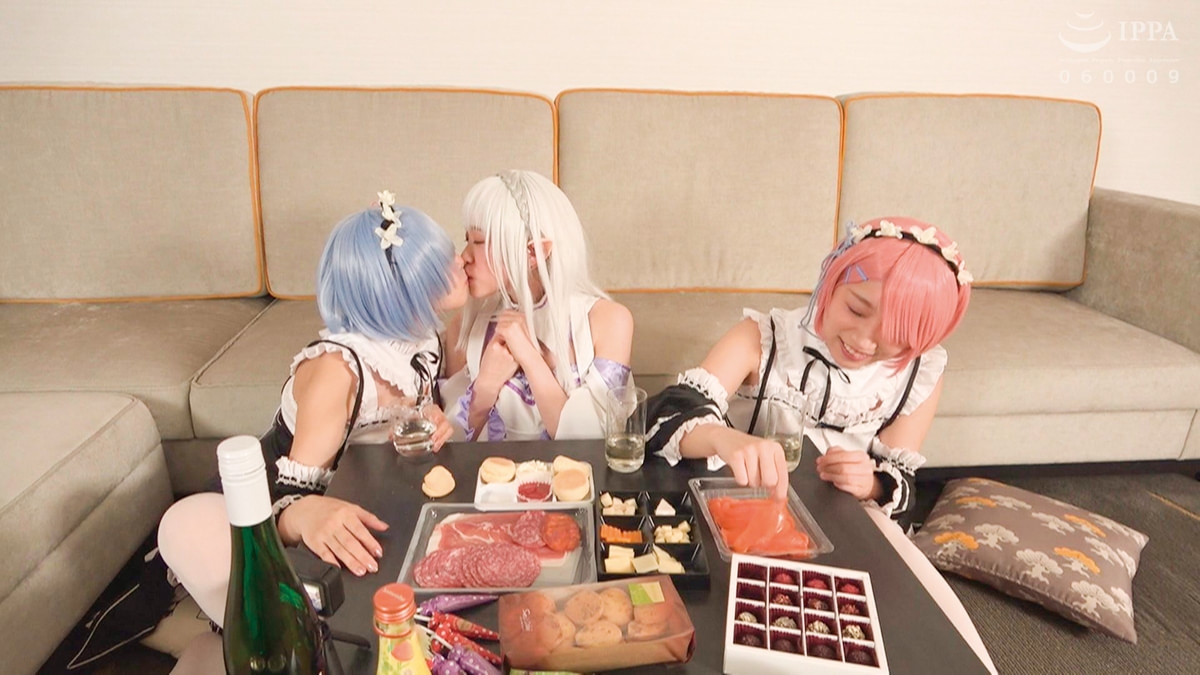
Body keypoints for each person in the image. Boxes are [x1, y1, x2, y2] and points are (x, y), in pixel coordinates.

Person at [645, 216, 996, 673]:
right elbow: (670, 413)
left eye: (896, 338)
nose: (864, 341)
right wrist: (723, 437)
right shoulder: (763, 337)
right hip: (743, 516)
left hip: (849, 530)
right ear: (832, 277)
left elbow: (903, 483)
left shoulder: (921, 372)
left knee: (927, 643)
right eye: (857, 310)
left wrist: (872, 482)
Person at [158, 194, 467, 672]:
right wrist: (303, 517)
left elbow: (436, 386)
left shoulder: (420, 337)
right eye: (443, 263)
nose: (461, 261)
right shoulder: (338, 371)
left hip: (362, 498)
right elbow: (289, 496)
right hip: (279, 510)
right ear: (403, 290)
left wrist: (433, 413)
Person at [444, 170, 634, 441]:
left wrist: (531, 358)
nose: (464, 257)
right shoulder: (464, 327)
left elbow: (594, 441)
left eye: (478, 242)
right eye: (467, 240)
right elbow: (448, 448)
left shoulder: (608, 321)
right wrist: (485, 386)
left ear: (534, 252)